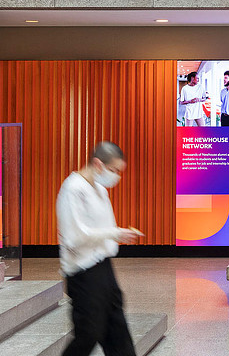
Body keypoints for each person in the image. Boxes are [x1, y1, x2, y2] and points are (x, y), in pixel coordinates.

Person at [56, 141, 141, 356]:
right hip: (82, 273)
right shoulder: (73, 189)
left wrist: (118, 234)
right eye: (113, 170)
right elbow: (75, 237)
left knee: (117, 331)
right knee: (88, 333)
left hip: (103, 268)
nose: (116, 176)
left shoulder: (100, 190)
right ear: (98, 164)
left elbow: (104, 228)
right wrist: (115, 233)